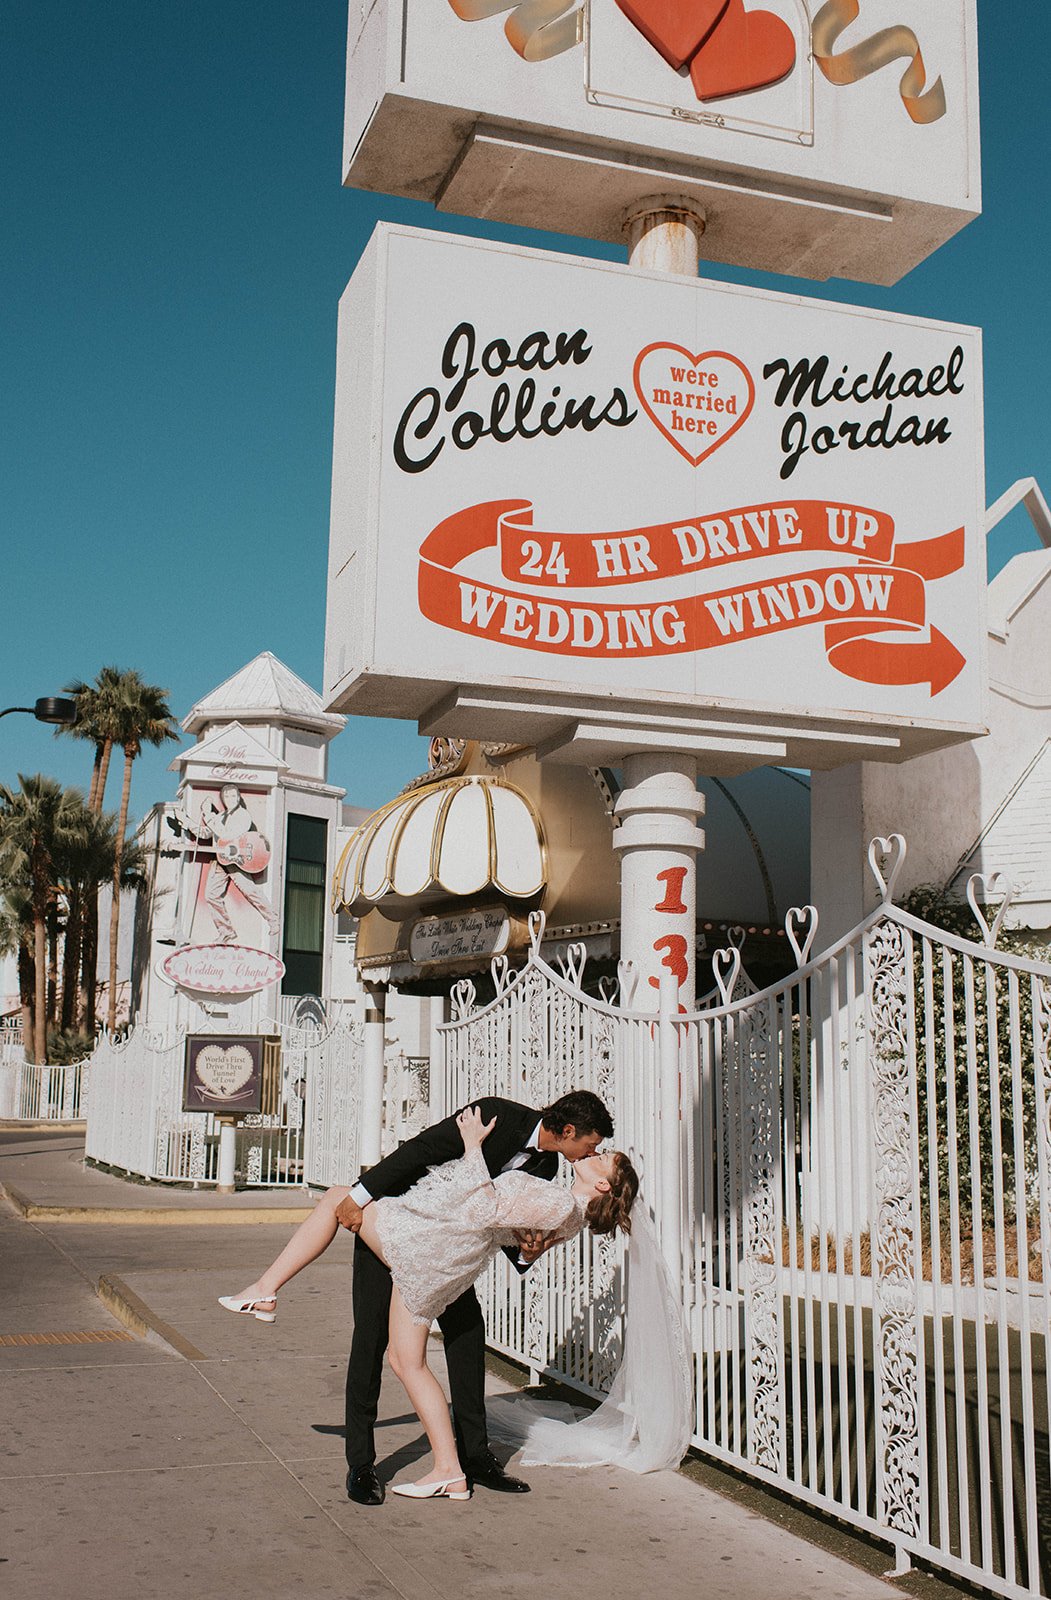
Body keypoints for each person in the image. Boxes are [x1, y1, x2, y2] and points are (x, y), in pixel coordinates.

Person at [219, 1101, 636, 1500]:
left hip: (429, 1245)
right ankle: (377, 1465)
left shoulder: (552, 1179)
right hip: (414, 1218)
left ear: (601, 1182)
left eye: (600, 1155)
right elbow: (422, 1150)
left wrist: (476, 1152)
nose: (594, 1151)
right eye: (594, 1145)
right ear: (568, 1131)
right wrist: (363, 1195)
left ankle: (266, 1290)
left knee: (449, 1340)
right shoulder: (502, 1118)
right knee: (385, 1348)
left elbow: (494, 1214)